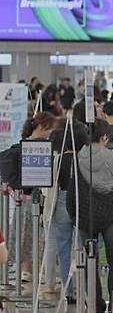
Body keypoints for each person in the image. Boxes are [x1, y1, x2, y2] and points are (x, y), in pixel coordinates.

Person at [76, 118, 113, 313]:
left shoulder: (80, 155)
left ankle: (94, 303)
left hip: (87, 212)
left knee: (90, 257)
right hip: (110, 211)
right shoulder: (110, 156)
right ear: (104, 136)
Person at [42, 120, 88, 304]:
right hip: (81, 201)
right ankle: (80, 287)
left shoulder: (57, 159)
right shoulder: (85, 159)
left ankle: (68, 290)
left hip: (60, 201)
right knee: (80, 246)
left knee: (63, 248)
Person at [10, 112, 57, 282]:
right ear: (40, 127)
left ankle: (26, 271)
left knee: (25, 235)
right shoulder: (43, 147)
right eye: (49, 129)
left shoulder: (20, 145)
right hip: (36, 199)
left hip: (24, 198)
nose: (50, 132)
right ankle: (33, 271)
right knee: (36, 236)